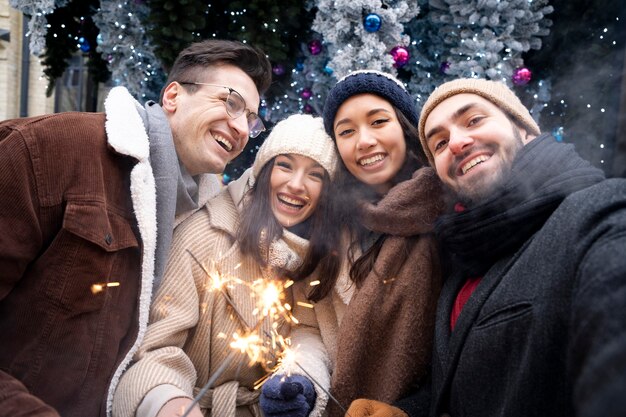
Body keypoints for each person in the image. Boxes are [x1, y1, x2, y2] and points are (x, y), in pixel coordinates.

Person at [0, 39, 271, 417]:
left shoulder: (200, 221)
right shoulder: (47, 149)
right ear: (173, 96)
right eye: (231, 103)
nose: (241, 127)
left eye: (252, 119)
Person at [347, 78, 626, 417]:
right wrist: (406, 412)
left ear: (524, 129)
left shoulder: (600, 213)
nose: (458, 143)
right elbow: (466, 386)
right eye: (439, 143)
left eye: (474, 120)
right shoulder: (462, 260)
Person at [111, 114, 340, 417]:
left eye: (315, 175)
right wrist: (167, 402)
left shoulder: (317, 253)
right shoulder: (205, 236)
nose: (296, 185)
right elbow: (153, 349)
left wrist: (299, 377)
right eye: (284, 165)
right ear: (263, 171)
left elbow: (308, 330)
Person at [260, 70, 444, 417]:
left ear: (405, 127)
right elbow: (310, 326)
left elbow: (461, 350)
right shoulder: (333, 224)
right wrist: (301, 380)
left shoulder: (445, 213)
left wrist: (407, 411)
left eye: (378, 122)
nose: (364, 141)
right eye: (347, 131)